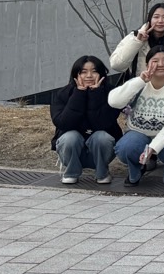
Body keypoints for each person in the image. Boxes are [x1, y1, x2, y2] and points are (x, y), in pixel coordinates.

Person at [108, 45, 164, 187]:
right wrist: (140, 81)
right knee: (126, 147)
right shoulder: (139, 83)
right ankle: (135, 171)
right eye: (155, 60)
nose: (161, 64)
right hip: (138, 131)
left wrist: (153, 148)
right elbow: (113, 101)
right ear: (147, 64)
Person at [51, 55, 121, 184]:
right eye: (83, 72)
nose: (89, 75)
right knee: (70, 137)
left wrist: (95, 95)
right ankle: (71, 172)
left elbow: (102, 124)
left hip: (101, 150)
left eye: (94, 71)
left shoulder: (112, 94)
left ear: (101, 74)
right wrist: (79, 94)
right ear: (75, 75)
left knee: (102, 137)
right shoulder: (63, 93)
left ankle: (102, 173)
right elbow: (64, 124)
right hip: (71, 150)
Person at [108, 3, 164, 80]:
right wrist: (137, 41)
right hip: (140, 87)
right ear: (150, 19)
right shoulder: (135, 36)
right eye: (156, 17)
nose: (160, 21)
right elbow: (116, 65)